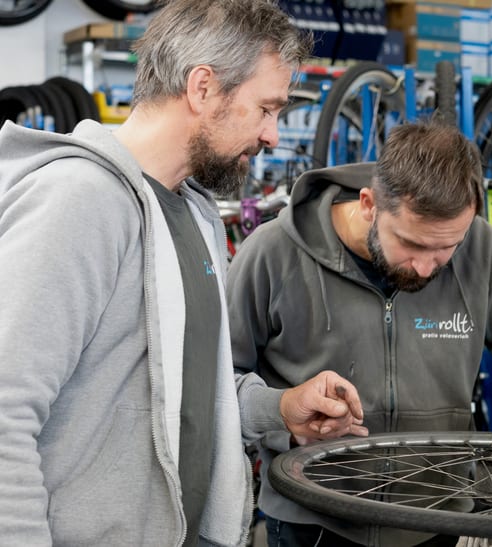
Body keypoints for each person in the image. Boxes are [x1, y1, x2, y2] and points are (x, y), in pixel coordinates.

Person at [0, 1, 367, 545]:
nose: (271, 135)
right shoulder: (80, 201)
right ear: (202, 88)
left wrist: (280, 408)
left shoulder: (195, 213)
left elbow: (182, 388)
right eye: (266, 108)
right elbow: (6, 411)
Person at [226, 121, 492, 546]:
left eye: (446, 248)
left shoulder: (481, 248)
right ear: (369, 205)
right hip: (312, 521)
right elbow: (219, 384)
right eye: (412, 244)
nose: (427, 268)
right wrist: (284, 411)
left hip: (437, 522)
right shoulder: (272, 253)